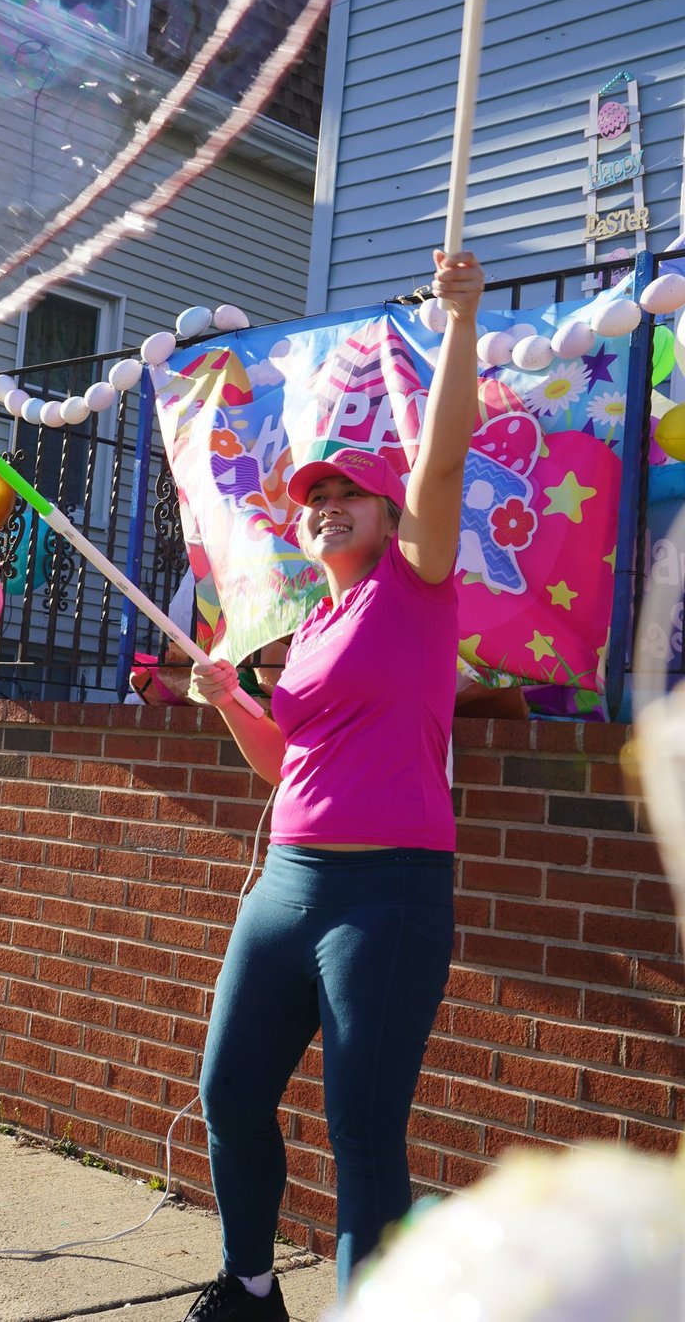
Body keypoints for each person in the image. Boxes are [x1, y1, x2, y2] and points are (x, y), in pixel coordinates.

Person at [182, 250, 485, 1321]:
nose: (326, 508)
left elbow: (442, 466)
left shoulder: (416, 586)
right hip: (287, 884)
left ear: (386, 512)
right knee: (228, 1094)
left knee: (362, 1133)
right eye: (314, 501)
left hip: (388, 897)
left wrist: (460, 325)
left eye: (350, 494)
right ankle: (251, 1288)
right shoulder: (307, 628)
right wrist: (229, 697)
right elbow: (285, 764)